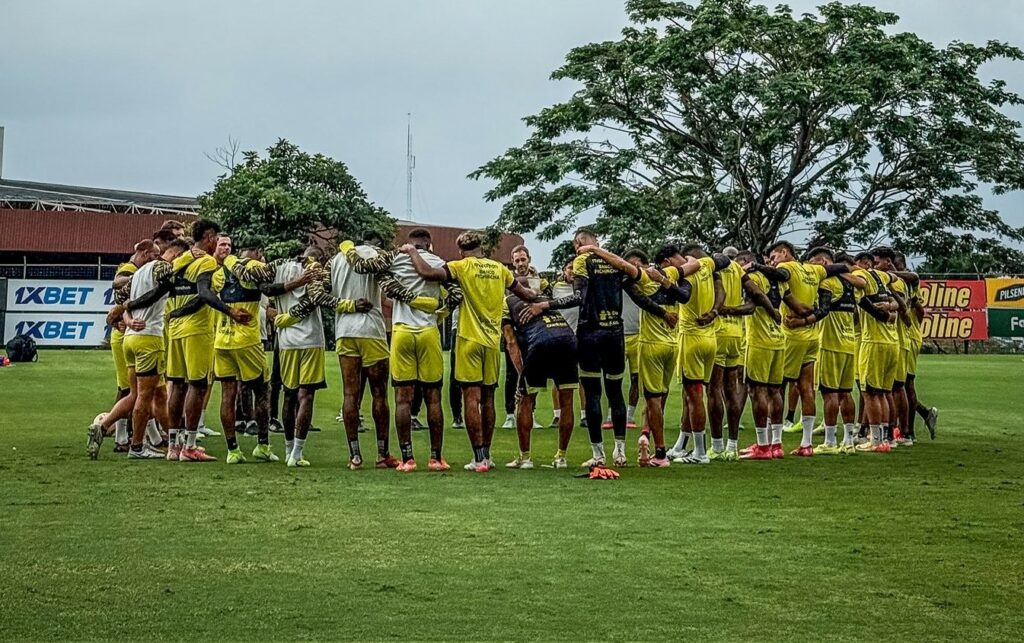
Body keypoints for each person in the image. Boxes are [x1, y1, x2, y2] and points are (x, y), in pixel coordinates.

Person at [402, 230, 536, 472]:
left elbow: (427, 273)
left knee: (471, 399)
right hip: (492, 341)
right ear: (482, 248)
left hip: (468, 339)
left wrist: (412, 251)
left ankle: (478, 458)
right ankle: (488, 454)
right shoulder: (500, 269)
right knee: (488, 399)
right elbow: (525, 294)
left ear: (461, 251)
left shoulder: (461, 267)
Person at [537, 231, 672, 468]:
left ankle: (598, 454)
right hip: (615, 334)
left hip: (591, 332)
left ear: (578, 244)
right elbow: (638, 295)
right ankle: (620, 452)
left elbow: (579, 296)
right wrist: (663, 313)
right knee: (615, 391)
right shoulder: (615, 261)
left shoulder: (582, 261)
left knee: (593, 394)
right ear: (596, 242)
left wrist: (546, 305)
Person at [347, 228, 461, 472]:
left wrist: (347, 248)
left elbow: (367, 269)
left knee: (402, 398)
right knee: (433, 396)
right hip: (429, 331)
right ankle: (436, 458)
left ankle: (407, 458)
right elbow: (457, 293)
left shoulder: (396, 259)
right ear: (429, 245)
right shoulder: (439, 261)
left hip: (401, 331)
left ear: (409, 244)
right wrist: (440, 311)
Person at [165, 219, 251, 462]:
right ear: (210, 236)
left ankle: (173, 445)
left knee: (178, 385)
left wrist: (175, 313)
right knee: (198, 384)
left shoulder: (178, 263)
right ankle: (190, 445)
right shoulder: (206, 262)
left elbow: (167, 287)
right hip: (197, 328)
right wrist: (230, 311)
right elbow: (204, 294)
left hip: (175, 330)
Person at [756, 241, 849, 456]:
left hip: (792, 335)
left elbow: (779, 276)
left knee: (776, 388)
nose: (772, 262)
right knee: (807, 389)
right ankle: (806, 444)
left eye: (773, 257)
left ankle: (775, 443)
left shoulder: (788, 267)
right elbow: (838, 268)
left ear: (784, 253)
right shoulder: (813, 269)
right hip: (812, 336)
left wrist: (758, 267)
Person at [118, 238, 192, 458]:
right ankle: (137, 446)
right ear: (177, 256)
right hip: (149, 337)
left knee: (151, 394)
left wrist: (128, 316)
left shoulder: (140, 272)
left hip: (131, 338)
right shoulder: (163, 267)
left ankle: (172, 441)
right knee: (144, 396)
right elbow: (167, 285)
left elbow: (121, 299)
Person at [264, 247, 331, 466]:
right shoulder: (314, 270)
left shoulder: (279, 267)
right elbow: (315, 299)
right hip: (310, 339)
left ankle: (288, 448)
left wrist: (278, 316)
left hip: (286, 342)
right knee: (307, 395)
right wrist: (288, 317)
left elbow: (266, 290)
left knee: (289, 394)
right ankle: (298, 452)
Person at [627, 245, 692, 467]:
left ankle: (661, 452)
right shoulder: (677, 277)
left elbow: (634, 292)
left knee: (653, 398)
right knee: (660, 396)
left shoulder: (646, 279)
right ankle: (646, 432)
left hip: (651, 344)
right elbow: (684, 295)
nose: (683, 261)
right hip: (673, 344)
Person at [502, 288, 579, 469]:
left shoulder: (505, 302)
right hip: (568, 340)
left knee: (526, 400)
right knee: (567, 401)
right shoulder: (544, 296)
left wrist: (521, 375)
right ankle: (561, 458)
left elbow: (511, 341)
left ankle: (525, 458)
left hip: (540, 342)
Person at [668, 243, 730, 465]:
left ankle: (700, 452)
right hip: (710, 339)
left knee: (694, 397)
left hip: (691, 339)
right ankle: (680, 446)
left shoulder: (688, 275)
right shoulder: (707, 266)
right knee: (691, 395)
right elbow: (724, 262)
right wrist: (714, 311)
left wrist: (666, 280)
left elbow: (682, 295)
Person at [802, 249, 866, 454]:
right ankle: (848, 442)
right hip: (849, 345)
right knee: (846, 393)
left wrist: (801, 321)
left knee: (829, 393)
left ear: (823, 261)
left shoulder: (828, 283)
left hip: (830, 344)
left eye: (814, 263)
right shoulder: (851, 285)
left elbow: (823, 310)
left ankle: (830, 441)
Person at [734, 250, 787, 460]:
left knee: (758, 391)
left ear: (746, 262)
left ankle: (763, 446)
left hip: (759, 341)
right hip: (779, 340)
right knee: (775, 391)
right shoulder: (777, 281)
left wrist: (727, 310)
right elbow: (792, 302)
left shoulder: (754, 278)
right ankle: (777, 444)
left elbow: (751, 306)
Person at [850, 251, 901, 453]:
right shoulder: (883, 276)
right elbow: (895, 277)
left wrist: (849, 273)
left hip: (874, 342)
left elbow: (860, 284)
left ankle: (876, 441)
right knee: (882, 393)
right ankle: (884, 438)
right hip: (891, 342)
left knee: (870, 393)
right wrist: (891, 305)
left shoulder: (863, 277)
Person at [708, 250, 751, 460]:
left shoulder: (713, 267)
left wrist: (720, 309)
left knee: (714, 389)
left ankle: (716, 446)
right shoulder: (738, 269)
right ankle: (732, 446)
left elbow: (718, 293)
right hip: (737, 334)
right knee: (732, 389)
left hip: (718, 332)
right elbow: (756, 298)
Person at [894, 251, 938, 441]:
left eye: (894, 265)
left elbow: (919, 311)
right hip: (902, 336)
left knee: (905, 384)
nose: (891, 269)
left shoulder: (908, 282)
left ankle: (908, 431)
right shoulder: (898, 283)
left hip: (909, 337)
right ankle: (922, 414)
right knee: (896, 384)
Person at [501, 245, 546, 430]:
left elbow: (545, 298)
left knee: (533, 374)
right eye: (517, 260)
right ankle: (510, 414)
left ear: (529, 259)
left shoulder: (539, 279)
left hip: (533, 332)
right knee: (512, 373)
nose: (520, 263)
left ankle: (531, 413)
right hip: (512, 329)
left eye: (523, 259)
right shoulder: (507, 279)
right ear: (512, 261)